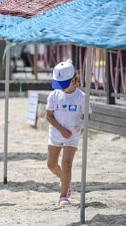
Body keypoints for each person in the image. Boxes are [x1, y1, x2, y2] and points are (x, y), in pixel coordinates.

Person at [46, 60, 90, 205]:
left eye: (64, 84)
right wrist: (61, 130)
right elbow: (49, 116)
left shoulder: (81, 97)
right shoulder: (54, 95)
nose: (61, 88)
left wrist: (80, 124)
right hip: (56, 133)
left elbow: (87, 116)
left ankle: (63, 195)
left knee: (66, 164)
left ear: (74, 80)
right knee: (51, 164)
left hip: (72, 135)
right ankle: (65, 180)